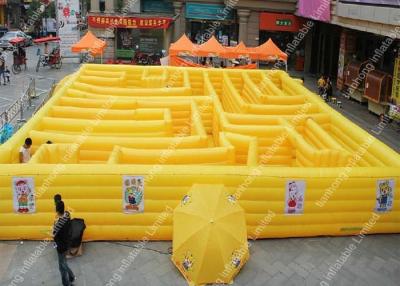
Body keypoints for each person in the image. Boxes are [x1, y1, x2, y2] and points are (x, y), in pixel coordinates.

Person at [53, 200, 75, 286]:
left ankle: (67, 282)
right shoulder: (67, 215)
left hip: (61, 246)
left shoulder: (58, 224)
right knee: (63, 263)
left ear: (57, 210)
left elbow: (54, 235)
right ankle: (71, 277)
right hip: (67, 243)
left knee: (62, 265)